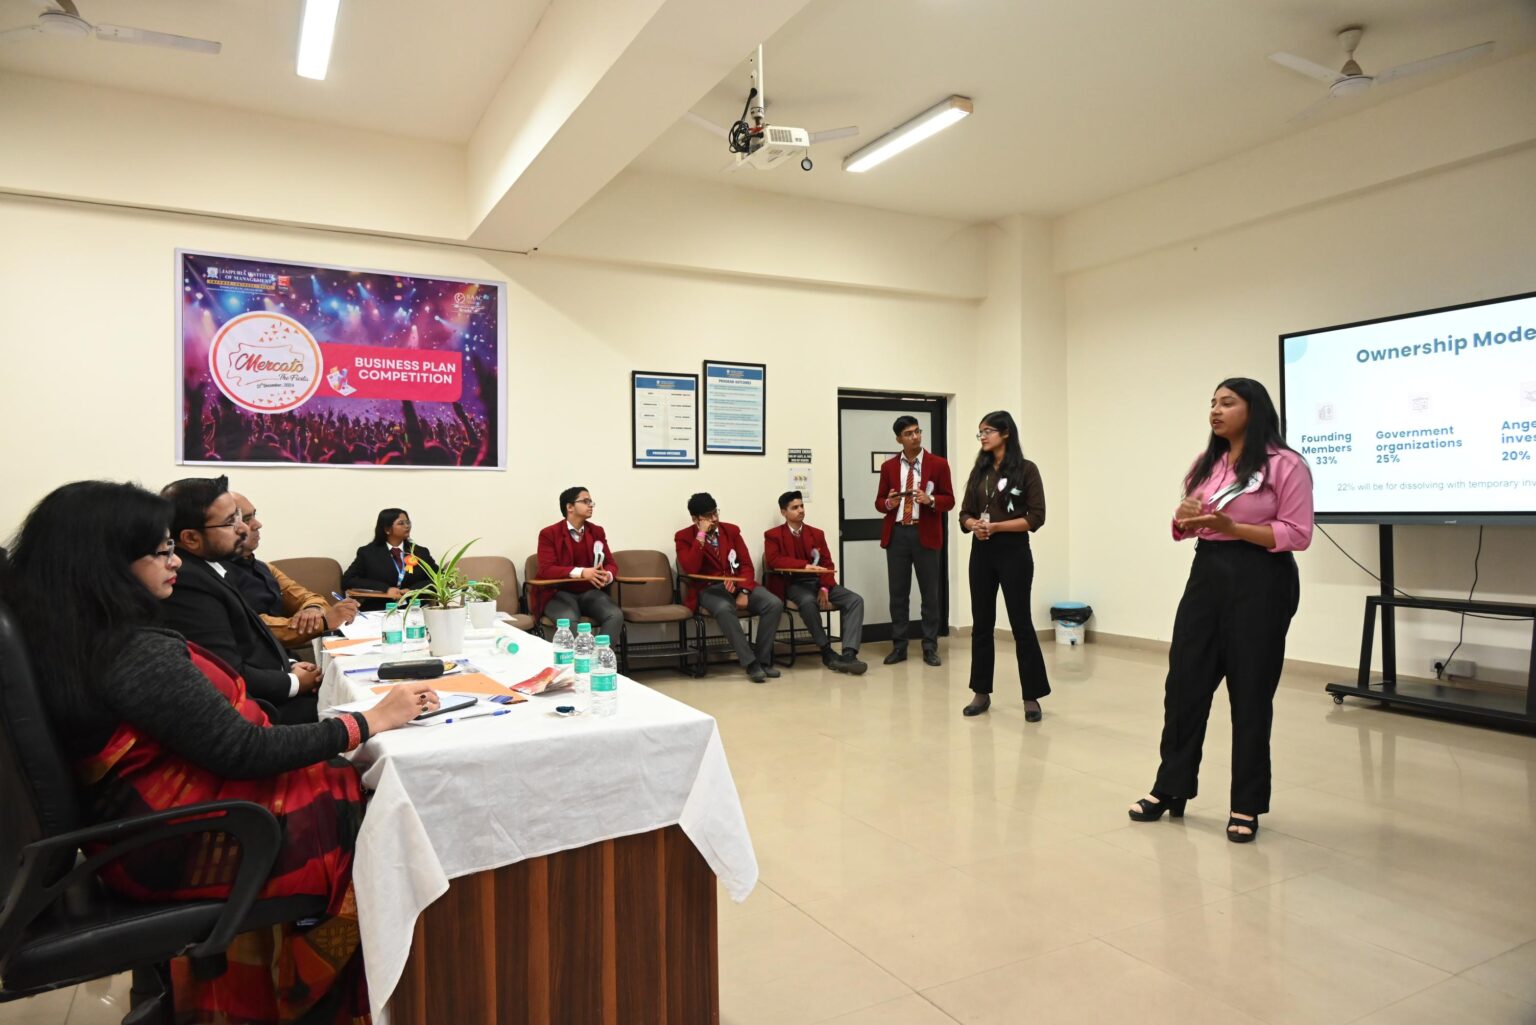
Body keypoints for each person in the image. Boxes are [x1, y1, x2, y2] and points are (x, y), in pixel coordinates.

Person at [0, 480, 439, 1024]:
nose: (175, 562)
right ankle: (339, 998)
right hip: (186, 841)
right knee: (395, 813)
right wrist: (369, 721)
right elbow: (242, 748)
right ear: (104, 564)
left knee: (358, 777)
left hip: (138, 831)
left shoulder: (76, 634)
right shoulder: (130, 652)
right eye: (161, 551)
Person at [1128, 378, 1314, 843]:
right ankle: (1170, 787)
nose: (1215, 410)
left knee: (1250, 693)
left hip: (1262, 579)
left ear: (1254, 409)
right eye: (1212, 403)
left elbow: (1298, 533)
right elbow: (1189, 524)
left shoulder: (1285, 465)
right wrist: (1183, 518)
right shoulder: (1207, 462)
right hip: (1207, 575)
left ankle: (1246, 803)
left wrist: (1236, 528)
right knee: (1184, 685)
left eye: (1227, 403)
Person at [158, 476, 321, 724]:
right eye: (230, 522)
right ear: (190, 538)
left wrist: (288, 665)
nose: (243, 528)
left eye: (239, 517)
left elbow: (250, 642)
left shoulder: (218, 567)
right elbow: (227, 672)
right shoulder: (187, 582)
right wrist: (294, 682)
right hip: (257, 712)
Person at [957, 411, 1051, 719]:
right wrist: (973, 525)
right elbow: (964, 513)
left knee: (1020, 623)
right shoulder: (979, 471)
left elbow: (1036, 517)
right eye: (980, 432)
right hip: (981, 552)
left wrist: (997, 527)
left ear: (1005, 433)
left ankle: (1031, 696)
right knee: (981, 624)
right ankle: (980, 692)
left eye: (988, 431)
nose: (983, 437)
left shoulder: (1027, 469)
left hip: (1014, 553)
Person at [225, 493, 360, 650]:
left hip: (280, 656)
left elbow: (306, 596)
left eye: (255, 515)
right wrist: (323, 622)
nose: (258, 524)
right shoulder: (218, 575)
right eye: (247, 519)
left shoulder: (265, 568)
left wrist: (313, 609)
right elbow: (251, 624)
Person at [675, 493, 783, 683]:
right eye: (708, 516)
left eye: (715, 512)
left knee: (773, 603)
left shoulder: (731, 531)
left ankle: (763, 660)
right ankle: (751, 663)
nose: (714, 518)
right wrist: (700, 536)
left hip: (739, 584)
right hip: (709, 588)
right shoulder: (683, 537)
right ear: (695, 519)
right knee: (724, 608)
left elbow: (746, 565)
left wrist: (744, 591)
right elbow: (691, 568)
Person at [874, 416, 955, 665]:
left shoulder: (938, 464)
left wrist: (931, 500)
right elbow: (879, 502)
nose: (915, 436)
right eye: (909, 433)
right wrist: (889, 503)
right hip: (898, 534)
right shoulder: (889, 467)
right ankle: (899, 646)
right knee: (898, 594)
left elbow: (949, 500)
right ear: (899, 439)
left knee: (930, 594)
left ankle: (930, 646)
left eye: (918, 431)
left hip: (925, 533)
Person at [763, 491, 867, 675]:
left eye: (802, 506)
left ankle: (849, 654)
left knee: (855, 600)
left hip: (820, 582)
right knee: (808, 602)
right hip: (794, 584)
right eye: (795, 507)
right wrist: (804, 565)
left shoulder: (816, 534)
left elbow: (827, 564)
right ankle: (826, 651)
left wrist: (825, 587)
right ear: (784, 512)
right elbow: (773, 560)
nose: (801, 510)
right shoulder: (773, 535)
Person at [532, 486, 624, 642]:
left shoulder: (597, 531)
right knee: (568, 619)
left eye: (591, 501)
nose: (591, 505)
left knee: (615, 615)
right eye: (585, 501)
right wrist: (582, 572)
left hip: (590, 593)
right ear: (570, 507)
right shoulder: (549, 534)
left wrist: (607, 575)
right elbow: (547, 570)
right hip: (557, 593)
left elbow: (611, 564)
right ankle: (585, 657)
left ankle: (601, 655)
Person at [340, 509, 437, 610]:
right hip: (379, 609)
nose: (407, 526)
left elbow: (439, 578)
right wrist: (385, 589)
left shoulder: (420, 552)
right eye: (401, 523)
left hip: (414, 608)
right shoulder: (368, 553)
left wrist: (413, 590)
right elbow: (348, 580)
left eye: (408, 522)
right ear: (387, 529)